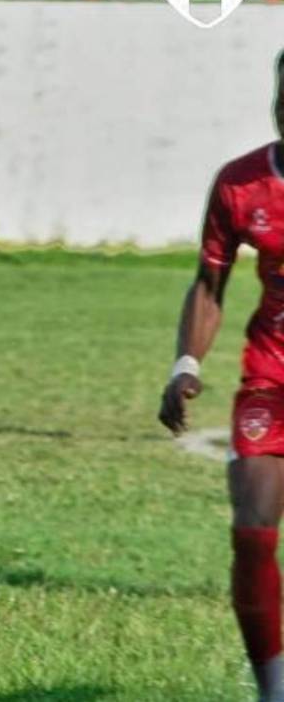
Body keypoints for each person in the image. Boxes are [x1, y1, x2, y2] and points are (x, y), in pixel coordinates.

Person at [160, 52, 284, 702]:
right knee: (252, 532)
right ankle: (275, 691)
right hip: (273, 376)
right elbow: (210, 286)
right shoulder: (241, 184)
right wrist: (186, 364)